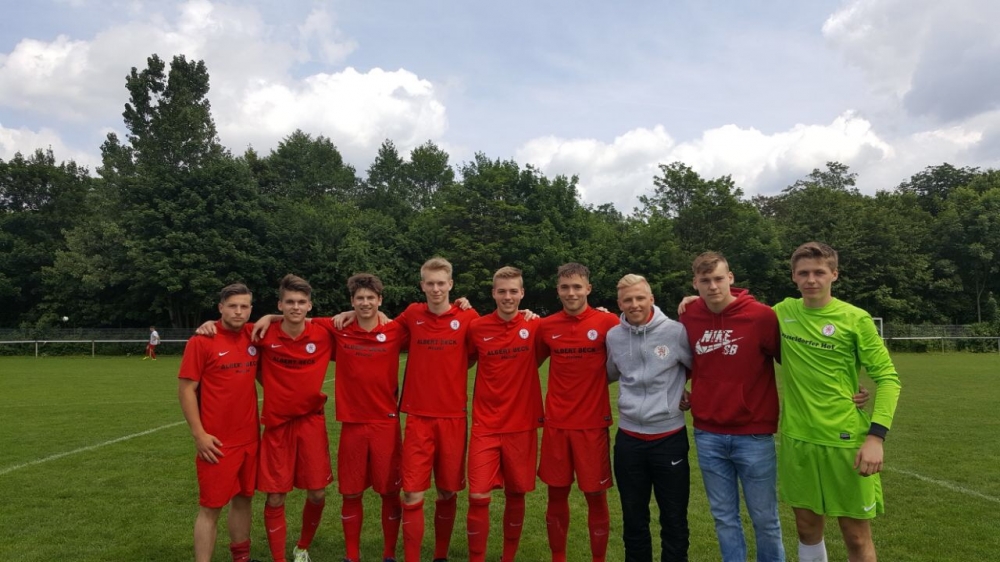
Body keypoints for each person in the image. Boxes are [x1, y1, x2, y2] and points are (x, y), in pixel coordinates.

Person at [334, 257, 479, 562]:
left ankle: (440, 556)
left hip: (453, 417)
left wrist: (526, 312)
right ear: (422, 285)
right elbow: (380, 322)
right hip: (417, 417)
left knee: (447, 492)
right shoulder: (412, 314)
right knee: (412, 493)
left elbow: (484, 345)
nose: (436, 289)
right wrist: (353, 311)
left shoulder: (468, 317)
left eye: (441, 283)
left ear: (451, 284)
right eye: (430, 283)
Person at [774, 242, 901, 562]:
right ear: (793, 276)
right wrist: (695, 301)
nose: (811, 280)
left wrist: (876, 437)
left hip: (845, 441)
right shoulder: (783, 312)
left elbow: (888, 379)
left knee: (856, 536)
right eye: (803, 273)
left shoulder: (855, 319)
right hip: (798, 439)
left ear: (834, 274)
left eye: (819, 272)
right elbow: (736, 310)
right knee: (806, 529)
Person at [678, 252, 785, 562]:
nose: (713, 286)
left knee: (765, 519)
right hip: (708, 433)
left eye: (718, 279)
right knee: (724, 517)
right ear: (695, 283)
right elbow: (682, 360)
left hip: (753, 434)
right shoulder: (689, 315)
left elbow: (794, 363)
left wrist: (845, 386)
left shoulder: (761, 316)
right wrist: (680, 386)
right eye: (705, 280)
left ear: (731, 278)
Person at [534, 263, 619, 562]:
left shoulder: (608, 322)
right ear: (557, 290)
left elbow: (638, 344)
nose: (571, 293)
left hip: (592, 425)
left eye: (577, 287)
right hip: (556, 424)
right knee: (556, 494)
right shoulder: (545, 326)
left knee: (595, 496)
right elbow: (525, 363)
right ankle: (558, 557)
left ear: (588, 288)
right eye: (565, 287)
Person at [605, 274, 692, 562]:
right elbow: (609, 373)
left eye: (640, 298)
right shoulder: (614, 336)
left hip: (669, 439)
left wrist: (686, 390)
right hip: (629, 440)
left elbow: (701, 367)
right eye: (627, 300)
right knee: (633, 519)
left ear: (651, 299)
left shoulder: (676, 332)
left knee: (674, 518)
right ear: (620, 303)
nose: (634, 304)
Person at [177, 283, 261, 562]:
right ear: (220, 308)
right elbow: (186, 390)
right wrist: (199, 435)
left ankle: (241, 558)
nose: (238, 311)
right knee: (211, 508)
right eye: (232, 306)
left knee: (244, 499)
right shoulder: (201, 341)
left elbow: (290, 316)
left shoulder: (254, 335)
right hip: (216, 442)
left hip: (250, 438)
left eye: (244, 306)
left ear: (251, 309)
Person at [465, 266, 543, 562]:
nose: (507, 297)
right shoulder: (477, 328)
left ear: (522, 293)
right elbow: (461, 359)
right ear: (493, 293)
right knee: (477, 495)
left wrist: (605, 311)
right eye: (502, 291)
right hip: (485, 425)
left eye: (513, 291)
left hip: (521, 425)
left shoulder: (536, 326)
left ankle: (507, 557)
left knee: (516, 493)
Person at [332, 273, 407, 562]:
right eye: (360, 298)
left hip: (385, 423)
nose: (365, 303)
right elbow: (296, 317)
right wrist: (270, 317)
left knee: (389, 492)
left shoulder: (395, 329)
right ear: (352, 301)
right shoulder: (338, 327)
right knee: (351, 493)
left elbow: (431, 325)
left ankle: (389, 554)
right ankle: (352, 556)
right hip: (352, 423)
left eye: (370, 298)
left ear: (380, 300)